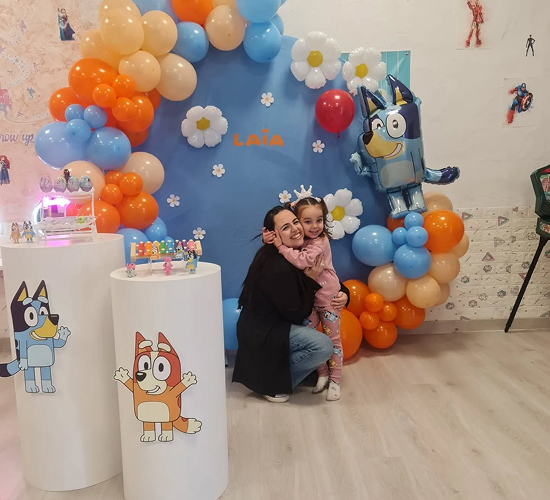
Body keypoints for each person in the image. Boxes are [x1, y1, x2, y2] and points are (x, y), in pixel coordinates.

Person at [232, 206, 348, 403]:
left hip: (279, 325)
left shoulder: (297, 251)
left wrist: (344, 293)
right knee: (322, 346)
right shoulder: (278, 265)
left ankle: (287, 373)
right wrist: (310, 280)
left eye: (296, 222)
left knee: (318, 342)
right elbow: (296, 313)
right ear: (274, 235)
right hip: (266, 332)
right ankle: (270, 383)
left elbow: (327, 277)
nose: (295, 229)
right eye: (286, 227)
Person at [263, 194, 343, 401]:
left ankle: (335, 380)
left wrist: (280, 247)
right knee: (313, 336)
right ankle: (322, 374)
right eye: (307, 221)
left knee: (333, 340)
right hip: (311, 300)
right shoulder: (302, 240)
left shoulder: (319, 241)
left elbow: (303, 261)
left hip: (328, 298)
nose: (315, 226)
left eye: (319, 220)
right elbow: (283, 233)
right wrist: (269, 239)